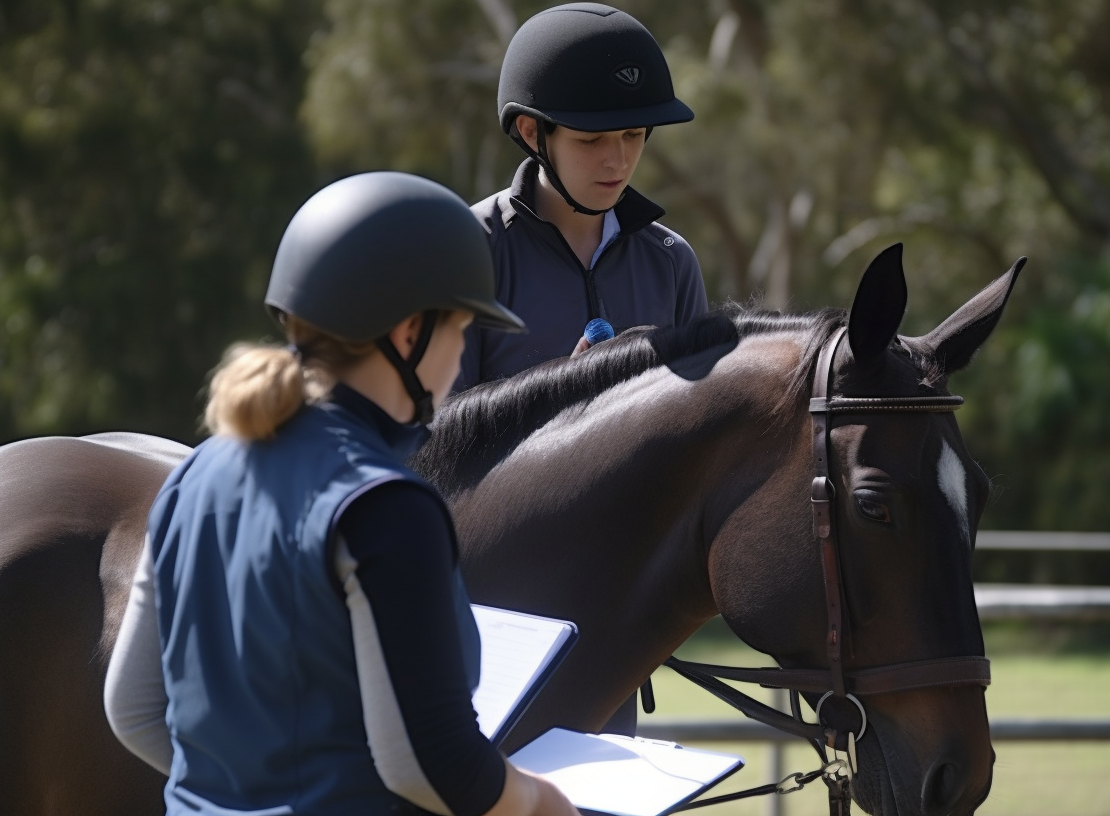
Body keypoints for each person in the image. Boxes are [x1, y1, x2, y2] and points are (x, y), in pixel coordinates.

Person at [103, 172, 578, 816]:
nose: (461, 354)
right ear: (410, 334)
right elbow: (432, 765)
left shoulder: (192, 475)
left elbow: (133, 709)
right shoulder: (386, 506)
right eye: (461, 330)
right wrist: (542, 803)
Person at [454, 2, 709, 392]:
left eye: (633, 135)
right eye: (591, 140)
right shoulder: (469, 253)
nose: (618, 162)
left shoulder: (672, 262)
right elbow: (438, 441)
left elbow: (702, 423)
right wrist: (566, 403)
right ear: (530, 132)